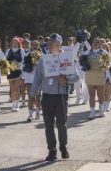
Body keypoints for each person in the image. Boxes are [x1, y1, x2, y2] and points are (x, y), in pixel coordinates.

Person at [32, 34, 78, 162]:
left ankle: (63, 146)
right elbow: (38, 76)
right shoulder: (44, 59)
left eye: (53, 43)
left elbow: (76, 77)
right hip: (47, 96)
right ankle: (52, 150)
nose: (50, 45)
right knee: (48, 126)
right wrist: (33, 92)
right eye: (49, 43)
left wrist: (65, 79)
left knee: (61, 124)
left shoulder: (67, 59)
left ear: (59, 44)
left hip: (61, 96)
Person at [82, 38, 110, 119]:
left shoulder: (104, 53)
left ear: (100, 44)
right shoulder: (87, 52)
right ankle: (92, 112)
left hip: (100, 76)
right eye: (94, 42)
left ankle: (101, 110)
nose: (95, 44)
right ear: (91, 44)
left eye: (97, 42)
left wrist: (107, 74)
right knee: (91, 95)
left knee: (100, 95)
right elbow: (81, 62)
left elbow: (108, 65)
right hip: (90, 76)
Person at [6, 37, 25, 112]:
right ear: (11, 43)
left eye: (16, 42)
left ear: (18, 43)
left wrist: (19, 65)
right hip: (10, 71)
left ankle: (17, 105)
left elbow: (24, 60)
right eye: (13, 42)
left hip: (18, 71)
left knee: (17, 89)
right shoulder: (8, 50)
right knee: (12, 89)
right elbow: (5, 59)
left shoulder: (21, 50)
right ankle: (13, 105)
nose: (15, 44)